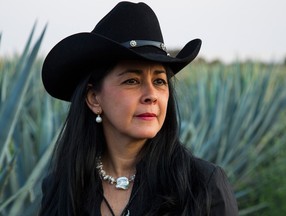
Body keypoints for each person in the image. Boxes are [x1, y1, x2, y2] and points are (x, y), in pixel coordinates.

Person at [39, 1, 239, 216]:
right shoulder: (61, 188)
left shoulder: (201, 186)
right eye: (132, 81)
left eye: (160, 81)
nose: (151, 95)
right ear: (94, 98)